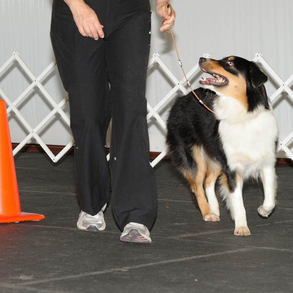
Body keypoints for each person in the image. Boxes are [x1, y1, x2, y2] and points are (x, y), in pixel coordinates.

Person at [50, 0, 176, 243]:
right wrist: (78, 7)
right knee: (87, 110)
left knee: (131, 106)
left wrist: (161, 2)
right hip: (79, 9)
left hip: (130, 11)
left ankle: (135, 213)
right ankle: (91, 204)